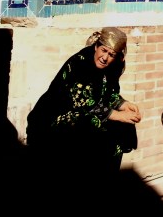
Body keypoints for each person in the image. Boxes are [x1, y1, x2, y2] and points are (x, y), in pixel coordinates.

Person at [27, 26, 142, 200]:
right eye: (103, 50)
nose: (105, 58)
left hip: (87, 112)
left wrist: (123, 104)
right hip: (56, 117)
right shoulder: (79, 63)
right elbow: (82, 101)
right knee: (92, 124)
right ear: (96, 46)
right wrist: (117, 114)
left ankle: (106, 182)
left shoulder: (111, 68)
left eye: (111, 55)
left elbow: (108, 93)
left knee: (123, 128)